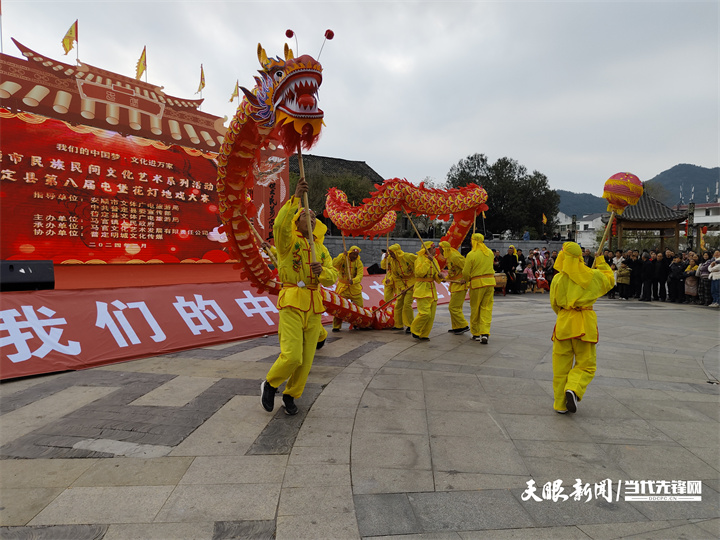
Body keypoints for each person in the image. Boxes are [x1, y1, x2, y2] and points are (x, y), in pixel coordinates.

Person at [260, 178, 338, 415]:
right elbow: (280, 226)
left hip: (314, 305)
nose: (312, 220)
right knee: (292, 355)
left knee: (305, 360)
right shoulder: (288, 241)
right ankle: (271, 383)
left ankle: (291, 394)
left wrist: (322, 272)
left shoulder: (321, 249)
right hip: (292, 301)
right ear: (297, 220)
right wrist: (295, 198)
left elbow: (332, 276)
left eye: (315, 218)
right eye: (306, 216)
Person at [550, 242, 614, 414]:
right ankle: (574, 388)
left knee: (560, 367)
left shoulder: (558, 279)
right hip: (585, 323)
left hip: (564, 323)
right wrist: (600, 261)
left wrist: (565, 313)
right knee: (586, 364)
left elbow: (554, 304)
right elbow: (610, 280)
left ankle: (560, 404)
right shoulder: (593, 275)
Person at [463, 233, 496, 343]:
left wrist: (466, 279)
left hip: (477, 284)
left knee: (475, 308)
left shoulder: (471, 254)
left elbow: (466, 272)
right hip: (490, 283)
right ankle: (485, 333)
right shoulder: (490, 252)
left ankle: (476, 333)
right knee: (486, 308)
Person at [410, 241, 442, 340]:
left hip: (432, 291)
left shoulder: (435, 260)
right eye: (433, 248)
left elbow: (436, 277)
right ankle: (415, 329)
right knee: (425, 313)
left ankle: (424, 334)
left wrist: (439, 276)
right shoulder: (419, 259)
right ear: (427, 250)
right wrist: (428, 261)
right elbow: (419, 273)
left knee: (431, 316)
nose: (435, 249)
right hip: (422, 290)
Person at [439, 241, 469, 334]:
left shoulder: (455, 256)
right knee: (457, 307)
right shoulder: (449, 256)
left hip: (460, 284)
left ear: (444, 249)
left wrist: (465, 279)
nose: (439, 251)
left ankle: (463, 325)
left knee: (453, 307)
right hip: (454, 284)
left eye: (440, 249)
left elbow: (466, 267)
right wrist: (445, 278)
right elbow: (452, 272)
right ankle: (457, 327)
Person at [386, 243, 417, 332]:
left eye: (392, 253)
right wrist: (402, 287)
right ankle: (398, 325)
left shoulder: (408, 256)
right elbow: (395, 276)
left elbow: (419, 263)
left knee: (407, 305)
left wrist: (418, 276)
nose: (391, 255)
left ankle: (410, 325)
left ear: (397, 252)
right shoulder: (392, 262)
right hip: (402, 284)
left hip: (412, 283)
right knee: (398, 304)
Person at [331, 245, 364, 331]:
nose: (355, 256)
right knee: (339, 306)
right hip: (342, 287)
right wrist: (342, 256)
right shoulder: (343, 258)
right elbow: (334, 264)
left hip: (354, 288)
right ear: (350, 253)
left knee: (359, 307)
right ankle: (336, 326)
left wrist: (354, 280)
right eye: (353, 254)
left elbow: (360, 274)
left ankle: (357, 324)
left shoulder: (359, 262)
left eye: (357, 254)